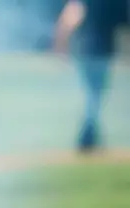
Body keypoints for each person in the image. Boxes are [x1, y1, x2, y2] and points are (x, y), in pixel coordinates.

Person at [54, 0, 128, 151]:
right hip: (96, 53)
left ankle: (90, 134)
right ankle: (87, 137)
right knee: (94, 95)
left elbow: (69, 19)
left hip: (87, 51)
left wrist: (61, 44)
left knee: (93, 94)